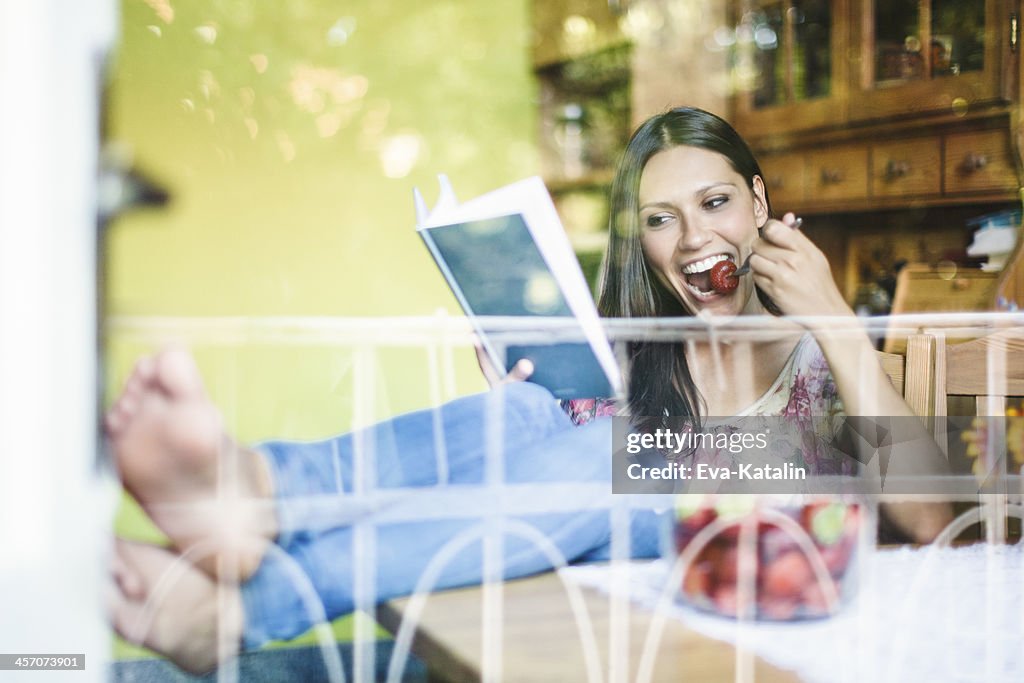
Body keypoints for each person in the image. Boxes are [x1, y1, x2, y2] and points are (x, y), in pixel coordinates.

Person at [107, 107, 952, 674]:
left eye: (717, 202)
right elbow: (545, 481)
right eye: (661, 218)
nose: (695, 236)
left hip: (744, 548)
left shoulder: (823, 347)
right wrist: (517, 399)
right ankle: (265, 486)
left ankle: (247, 601)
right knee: (530, 411)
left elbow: (930, 521)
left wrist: (838, 321)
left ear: (760, 201)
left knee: (621, 453)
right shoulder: (637, 350)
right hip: (594, 554)